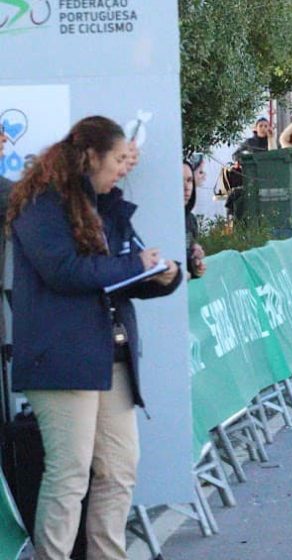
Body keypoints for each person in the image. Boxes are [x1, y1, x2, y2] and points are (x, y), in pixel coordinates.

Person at [8, 116, 182, 558]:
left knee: (119, 469)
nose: (126, 167)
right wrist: (137, 267)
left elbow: (118, 271)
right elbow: (66, 272)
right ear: (91, 156)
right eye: (119, 158)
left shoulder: (103, 204)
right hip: (62, 357)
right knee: (69, 475)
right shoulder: (40, 204)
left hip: (109, 355)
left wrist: (163, 277)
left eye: (129, 159)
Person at [183, 160, 207, 279]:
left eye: (189, 180)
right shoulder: (159, 220)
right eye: (179, 180)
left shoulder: (190, 220)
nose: (186, 187)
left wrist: (195, 266)